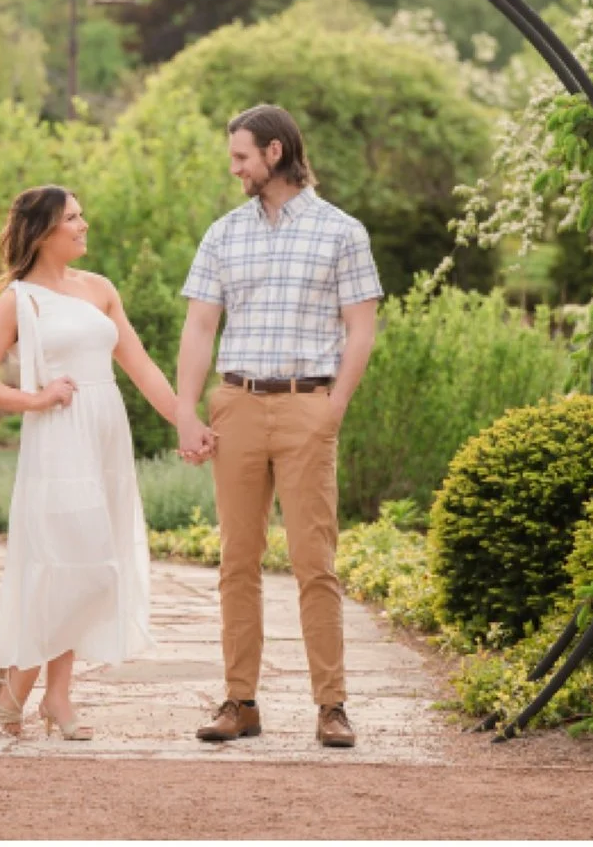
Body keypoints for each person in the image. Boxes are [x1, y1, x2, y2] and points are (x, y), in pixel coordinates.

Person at [0, 185, 197, 740]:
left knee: (96, 565)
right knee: (70, 563)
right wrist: (33, 399)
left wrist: (187, 422)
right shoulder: (18, 302)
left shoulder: (100, 289)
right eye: (73, 218)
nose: (84, 225)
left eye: (83, 215)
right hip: (59, 439)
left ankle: (56, 697)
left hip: (106, 434)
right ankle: (21, 677)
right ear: (42, 233)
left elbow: (141, 368)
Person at [174, 104, 382, 749]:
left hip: (305, 405)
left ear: (274, 153)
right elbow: (201, 326)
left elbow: (362, 327)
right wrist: (187, 410)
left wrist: (333, 406)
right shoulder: (224, 233)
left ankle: (332, 705)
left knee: (313, 561)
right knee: (237, 560)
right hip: (235, 404)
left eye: (241, 157)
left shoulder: (341, 232)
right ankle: (240, 702)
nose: (233, 168)